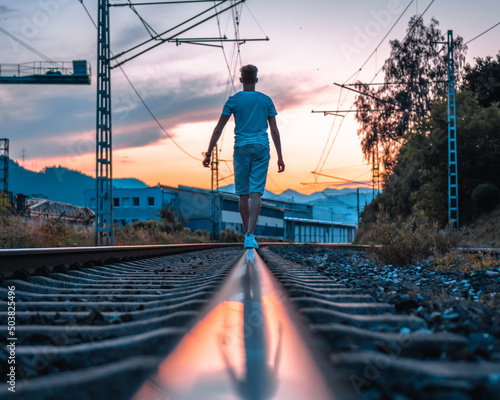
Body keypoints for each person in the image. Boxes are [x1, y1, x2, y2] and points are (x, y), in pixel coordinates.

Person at [203, 64, 285, 249]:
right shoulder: (266, 100)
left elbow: (218, 129)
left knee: (242, 194)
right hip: (261, 148)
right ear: (256, 79)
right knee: (256, 193)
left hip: (241, 149)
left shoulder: (233, 100)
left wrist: (208, 153)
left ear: (241, 80)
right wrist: (280, 156)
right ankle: (250, 235)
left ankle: (247, 235)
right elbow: (274, 130)